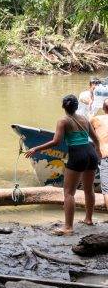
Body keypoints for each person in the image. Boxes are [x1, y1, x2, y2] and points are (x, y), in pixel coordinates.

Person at [26, 94, 100, 235]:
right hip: (90, 152)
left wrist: (36, 148)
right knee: (89, 189)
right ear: (77, 106)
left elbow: (56, 142)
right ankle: (88, 219)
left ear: (63, 107)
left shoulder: (63, 121)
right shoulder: (85, 119)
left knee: (69, 193)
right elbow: (95, 139)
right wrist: (98, 152)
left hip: (77, 154)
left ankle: (68, 227)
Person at [91, 100, 108, 210]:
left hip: (106, 156)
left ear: (103, 108)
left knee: (107, 190)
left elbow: (86, 133)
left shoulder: (96, 119)